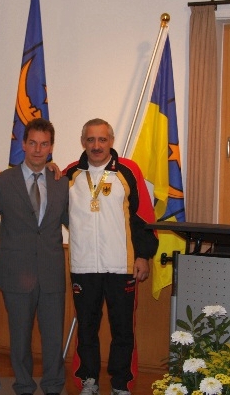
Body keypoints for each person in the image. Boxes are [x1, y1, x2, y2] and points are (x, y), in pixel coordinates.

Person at [64, 118, 159, 395]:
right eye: (91, 139)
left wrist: (143, 256)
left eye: (102, 139)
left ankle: (121, 383)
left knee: (123, 330)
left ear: (111, 141)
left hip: (122, 266)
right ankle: (88, 381)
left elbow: (143, 217)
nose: (96, 145)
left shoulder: (128, 171)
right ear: (83, 142)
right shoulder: (70, 174)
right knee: (86, 328)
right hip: (83, 265)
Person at [0, 118, 69, 395]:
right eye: (33, 143)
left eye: (44, 144)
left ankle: (53, 386)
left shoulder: (62, 183)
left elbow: (77, 223)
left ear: (51, 147)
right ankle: (23, 386)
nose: (38, 150)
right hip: (16, 271)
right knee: (20, 337)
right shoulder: (2, 181)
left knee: (53, 337)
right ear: (23, 144)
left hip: (51, 272)